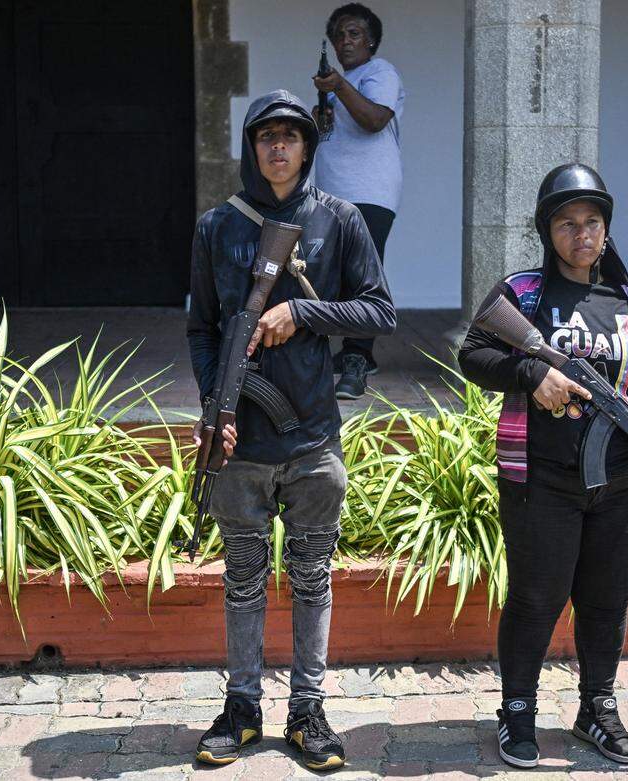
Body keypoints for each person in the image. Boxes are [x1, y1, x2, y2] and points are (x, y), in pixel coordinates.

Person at [458, 163, 628, 769]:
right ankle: (517, 711)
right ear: (548, 232)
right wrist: (533, 374)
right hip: (539, 482)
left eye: (592, 223)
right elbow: (474, 353)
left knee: (606, 601)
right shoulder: (521, 294)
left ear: (606, 230)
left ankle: (596, 708)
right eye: (567, 224)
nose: (581, 235)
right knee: (536, 598)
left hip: (624, 484)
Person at [186, 89, 396, 771]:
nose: (277, 147)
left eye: (290, 135)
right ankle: (242, 706)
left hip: (310, 435)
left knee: (312, 577)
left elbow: (379, 312)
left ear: (308, 146)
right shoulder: (218, 225)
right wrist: (214, 405)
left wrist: (303, 315)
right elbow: (201, 327)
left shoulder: (339, 220)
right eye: (265, 136)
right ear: (251, 149)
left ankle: (308, 709)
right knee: (243, 579)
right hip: (240, 440)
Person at [312, 2, 406, 400]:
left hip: (370, 191)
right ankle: (352, 351)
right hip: (333, 193)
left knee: (362, 273)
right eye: (339, 35)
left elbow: (373, 120)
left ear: (370, 41)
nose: (344, 40)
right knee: (330, 271)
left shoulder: (379, 72)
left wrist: (338, 87)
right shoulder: (341, 84)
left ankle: (357, 359)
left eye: (353, 33)